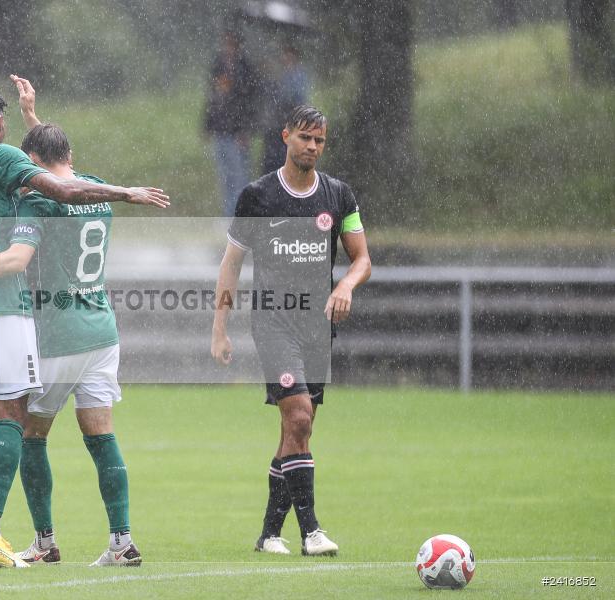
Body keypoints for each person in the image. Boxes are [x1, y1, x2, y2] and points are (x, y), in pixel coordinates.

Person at [0, 83, 167, 568]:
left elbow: (23, 239)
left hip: (32, 323)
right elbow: (64, 175)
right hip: (100, 331)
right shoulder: (95, 192)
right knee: (100, 436)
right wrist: (125, 190)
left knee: (11, 429)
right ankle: (121, 539)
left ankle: (34, 538)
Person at [210, 105, 371, 556]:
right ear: (286, 137)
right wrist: (220, 327)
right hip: (274, 323)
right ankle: (312, 531)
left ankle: (268, 534)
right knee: (298, 416)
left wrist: (346, 284)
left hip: (317, 329)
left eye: (319, 140)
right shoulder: (257, 196)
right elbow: (231, 263)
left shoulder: (339, 195)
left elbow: (362, 257)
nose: (312, 147)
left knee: (297, 431)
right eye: (305, 138)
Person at [203, 29, 261, 217]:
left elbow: (249, 102)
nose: (227, 48)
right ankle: (228, 214)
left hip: (237, 133)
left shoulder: (245, 69)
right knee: (224, 176)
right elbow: (211, 98)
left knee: (240, 176)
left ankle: (240, 214)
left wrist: (245, 130)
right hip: (220, 129)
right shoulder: (218, 66)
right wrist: (207, 125)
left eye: (230, 44)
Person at [260, 43, 310, 175]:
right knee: (271, 163)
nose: (285, 59)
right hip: (276, 125)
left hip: (289, 124)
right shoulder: (280, 74)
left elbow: (296, 99)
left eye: (288, 55)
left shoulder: (299, 75)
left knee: (285, 161)